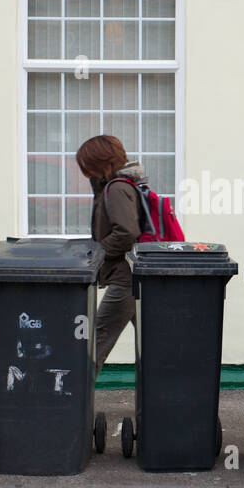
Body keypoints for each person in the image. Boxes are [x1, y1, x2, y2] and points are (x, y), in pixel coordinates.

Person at [76, 135, 145, 375]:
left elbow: (126, 232)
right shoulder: (115, 186)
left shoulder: (117, 189)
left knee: (94, 343)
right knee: (155, 345)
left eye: (87, 165)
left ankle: (71, 403)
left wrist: (98, 254)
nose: (85, 172)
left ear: (100, 162)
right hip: (132, 277)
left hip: (124, 280)